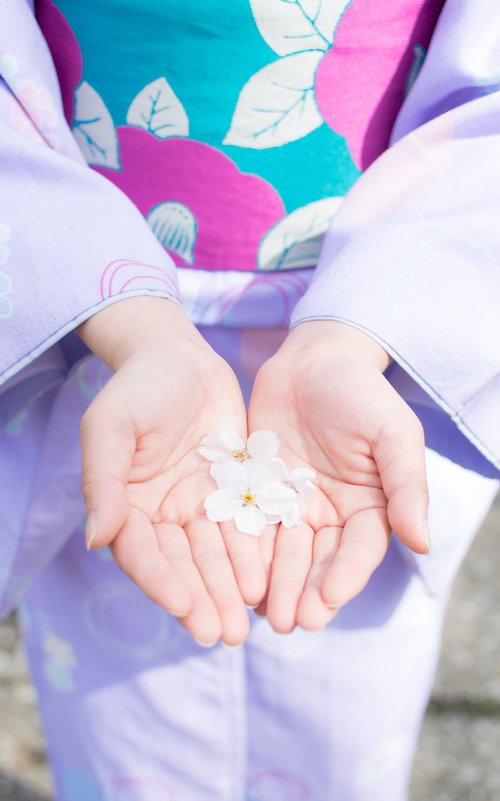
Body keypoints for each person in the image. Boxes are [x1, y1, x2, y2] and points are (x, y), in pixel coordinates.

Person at [0, 0, 499, 798]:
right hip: (84, 306)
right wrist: (129, 321)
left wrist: (356, 332)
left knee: (347, 699)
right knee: (118, 704)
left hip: (393, 310)